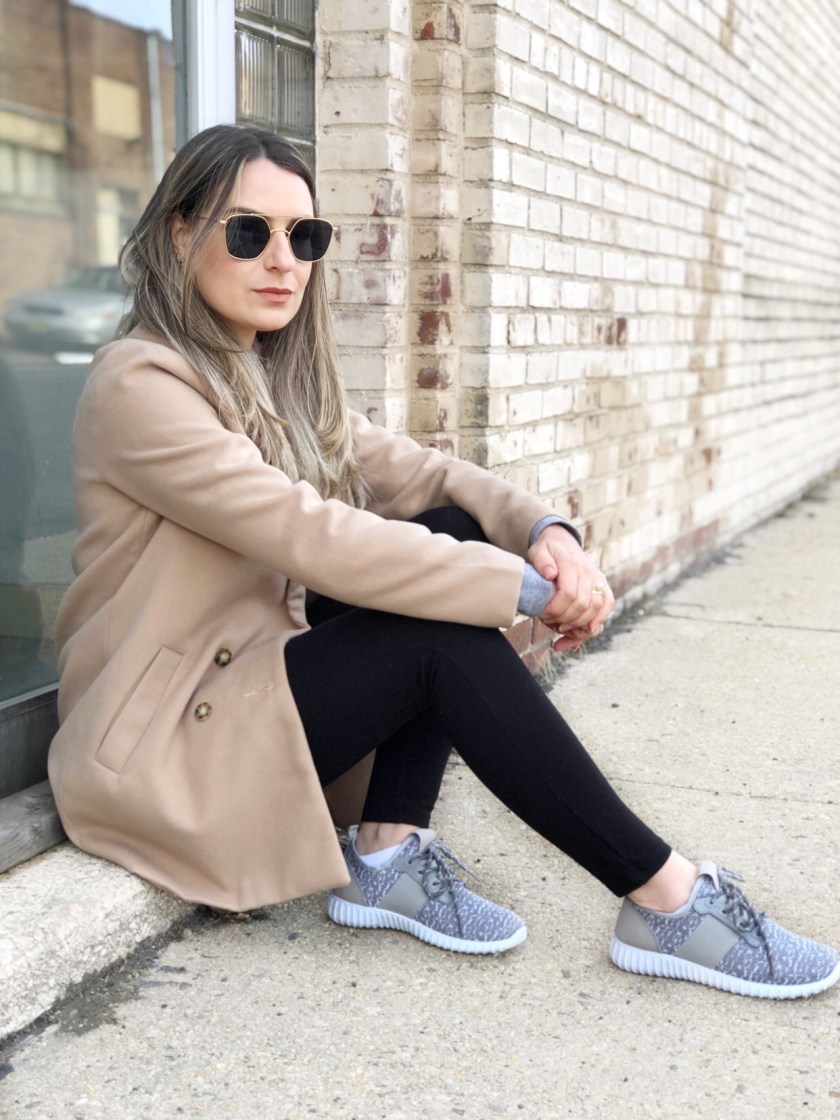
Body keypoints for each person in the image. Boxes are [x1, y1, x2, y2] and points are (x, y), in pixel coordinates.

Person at [49, 123, 838, 1001]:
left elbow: (420, 473)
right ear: (178, 234)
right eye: (248, 232)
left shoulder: (268, 376)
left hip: (241, 688)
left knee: (456, 526)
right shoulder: (142, 385)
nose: (282, 260)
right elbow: (314, 537)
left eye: (304, 237)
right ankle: (668, 899)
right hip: (159, 747)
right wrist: (526, 593)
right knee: (440, 633)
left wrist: (544, 533)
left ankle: (386, 855)